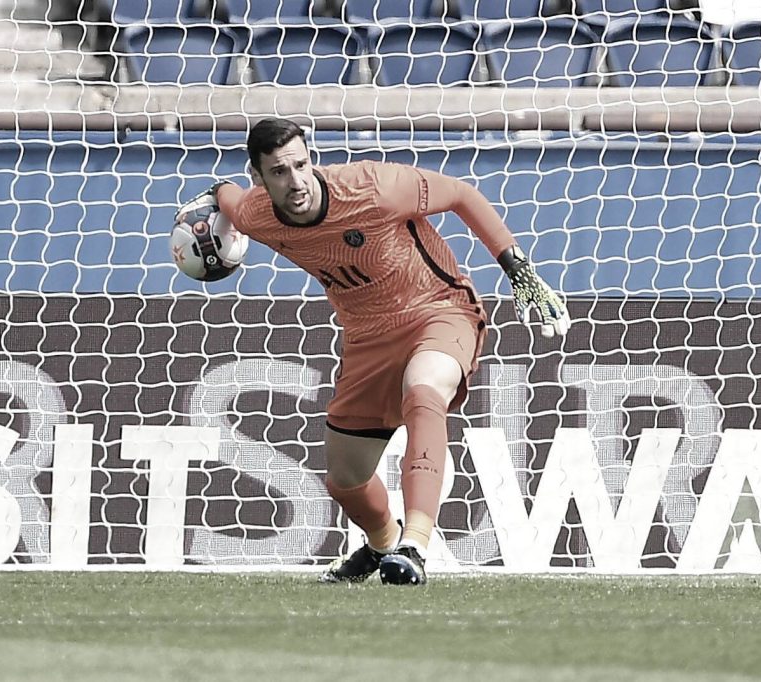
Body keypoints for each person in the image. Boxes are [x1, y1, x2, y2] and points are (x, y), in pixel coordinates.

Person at [196, 117, 570, 585]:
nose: (295, 182)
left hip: (439, 310)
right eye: (278, 172)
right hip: (366, 340)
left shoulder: (375, 188)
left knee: (424, 390)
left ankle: (415, 544)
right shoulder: (255, 213)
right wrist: (206, 214)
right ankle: (382, 542)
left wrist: (517, 268)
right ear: (259, 178)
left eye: (301, 165)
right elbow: (224, 193)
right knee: (345, 478)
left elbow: (461, 194)